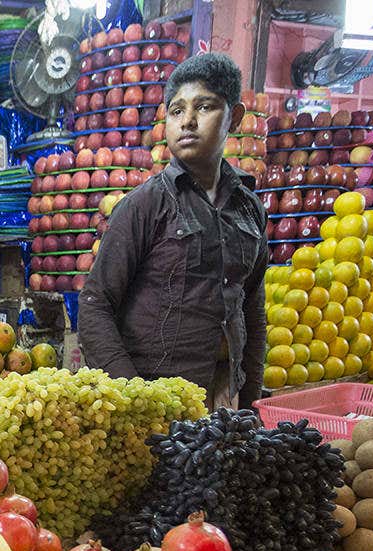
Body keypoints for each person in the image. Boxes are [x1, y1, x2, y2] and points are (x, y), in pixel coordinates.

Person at [77, 52, 268, 410]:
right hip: (156, 401)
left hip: (226, 396)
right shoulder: (144, 205)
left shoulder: (250, 210)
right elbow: (94, 305)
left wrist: (253, 401)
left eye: (205, 107)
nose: (189, 122)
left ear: (235, 117)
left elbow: (253, 312)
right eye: (177, 111)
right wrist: (134, 397)